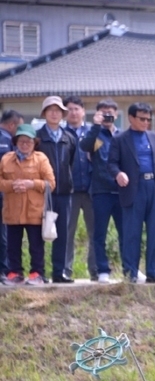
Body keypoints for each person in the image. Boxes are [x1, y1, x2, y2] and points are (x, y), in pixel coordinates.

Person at [108, 102, 155, 283]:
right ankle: (131, 272)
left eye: (148, 120)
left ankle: (152, 271)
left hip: (154, 188)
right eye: (142, 119)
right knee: (132, 233)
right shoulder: (120, 139)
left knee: (153, 233)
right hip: (133, 188)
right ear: (131, 118)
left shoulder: (154, 137)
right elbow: (111, 163)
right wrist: (118, 174)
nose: (145, 123)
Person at [0, 124, 55, 285]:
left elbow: (50, 183)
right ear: (16, 142)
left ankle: (37, 273)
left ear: (34, 143)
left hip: (34, 210)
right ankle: (15, 273)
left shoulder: (41, 159)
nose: (25, 144)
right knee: (12, 246)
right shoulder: (6, 159)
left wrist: (32, 184)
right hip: (12, 210)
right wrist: (12, 185)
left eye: (28, 141)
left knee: (36, 246)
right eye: (22, 141)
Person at [79, 99, 124, 284]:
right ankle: (102, 269)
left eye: (110, 112)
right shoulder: (96, 135)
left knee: (127, 233)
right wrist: (96, 126)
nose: (107, 115)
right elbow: (85, 146)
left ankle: (131, 268)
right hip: (101, 191)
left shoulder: (122, 136)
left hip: (122, 192)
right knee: (99, 234)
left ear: (117, 114)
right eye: (103, 112)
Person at [36, 95, 77, 283]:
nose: (54, 113)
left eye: (58, 110)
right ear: (44, 113)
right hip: (42, 193)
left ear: (62, 114)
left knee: (62, 233)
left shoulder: (69, 137)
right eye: (50, 110)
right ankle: (38, 272)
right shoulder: (37, 137)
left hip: (65, 193)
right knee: (40, 233)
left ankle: (58, 272)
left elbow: (72, 162)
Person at [63, 96, 96, 282]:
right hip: (70, 191)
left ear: (83, 111)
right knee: (68, 232)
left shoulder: (93, 132)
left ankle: (95, 270)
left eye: (76, 109)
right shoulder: (61, 133)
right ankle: (65, 270)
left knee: (95, 232)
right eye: (69, 109)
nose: (73, 112)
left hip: (91, 190)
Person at [0, 109, 23, 284]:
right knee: (4, 233)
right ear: (12, 125)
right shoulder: (6, 140)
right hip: (4, 192)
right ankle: (4, 270)